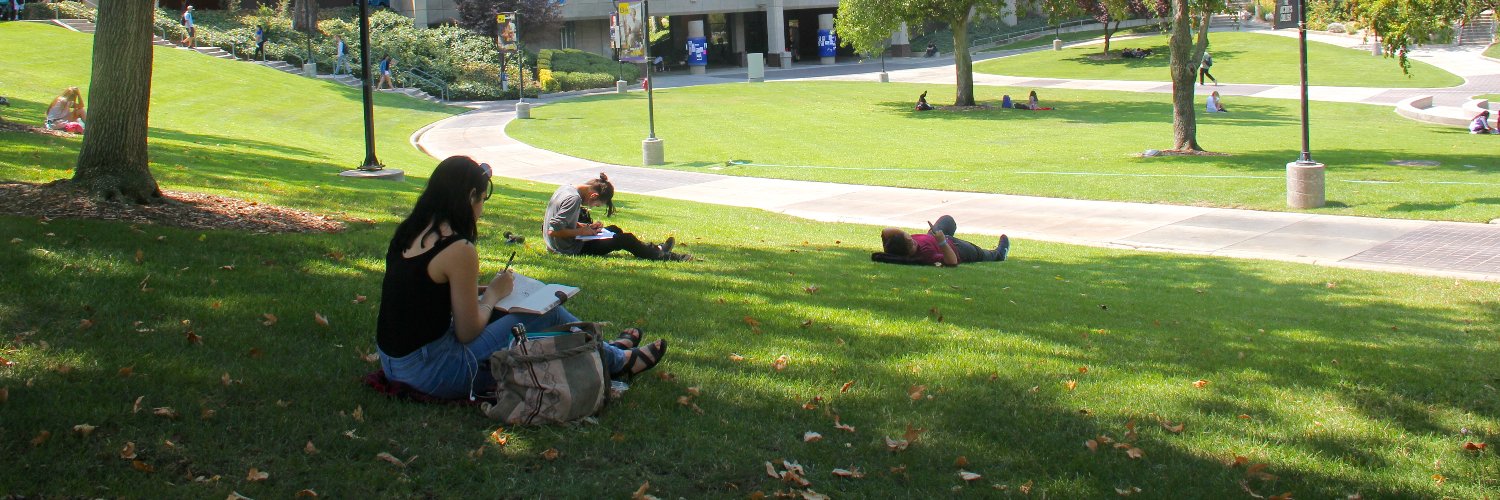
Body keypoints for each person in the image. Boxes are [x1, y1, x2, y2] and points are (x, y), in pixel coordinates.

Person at [376, 156, 667, 400]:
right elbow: (466, 333)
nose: (482, 208)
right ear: (469, 198)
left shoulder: (410, 231)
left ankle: (609, 351)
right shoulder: (458, 248)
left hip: (396, 363)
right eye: (482, 198)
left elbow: (423, 292)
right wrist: (493, 294)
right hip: (434, 372)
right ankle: (619, 361)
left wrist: (486, 291)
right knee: (547, 310)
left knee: (511, 309)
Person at [543, 173, 690, 262]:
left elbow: (563, 222)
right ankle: (666, 256)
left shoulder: (566, 188)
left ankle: (655, 248)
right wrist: (582, 232)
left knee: (614, 229)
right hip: (567, 248)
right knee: (626, 239)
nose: (592, 207)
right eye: (596, 204)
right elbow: (553, 230)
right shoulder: (573, 199)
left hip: (562, 243)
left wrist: (586, 227)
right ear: (593, 195)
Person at [875, 216, 1009, 266]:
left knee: (947, 220)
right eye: (911, 244)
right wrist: (942, 242)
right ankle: (1000, 254)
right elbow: (952, 261)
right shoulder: (926, 254)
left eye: (910, 238)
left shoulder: (894, 246)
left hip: (935, 236)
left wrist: (904, 235)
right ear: (907, 252)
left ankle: (940, 235)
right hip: (956, 248)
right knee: (984, 254)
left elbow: (885, 231)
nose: (913, 241)